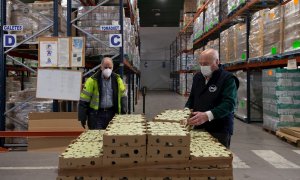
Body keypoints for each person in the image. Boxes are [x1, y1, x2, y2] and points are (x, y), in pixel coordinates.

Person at [185, 49, 239, 148]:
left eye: (206, 64)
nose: (203, 67)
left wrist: (207, 115)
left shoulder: (227, 79)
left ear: (217, 62)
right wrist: (186, 110)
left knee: (218, 161)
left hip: (219, 128)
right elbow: (192, 97)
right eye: (201, 64)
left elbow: (229, 104)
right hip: (199, 126)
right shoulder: (198, 77)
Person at [78, 57, 126, 129]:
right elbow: (84, 100)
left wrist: (123, 112)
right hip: (97, 115)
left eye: (110, 67)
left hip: (112, 114)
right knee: (97, 137)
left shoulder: (117, 80)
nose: (108, 70)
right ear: (101, 67)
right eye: (105, 67)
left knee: (110, 138)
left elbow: (123, 97)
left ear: (113, 67)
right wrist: (82, 117)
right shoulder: (92, 80)